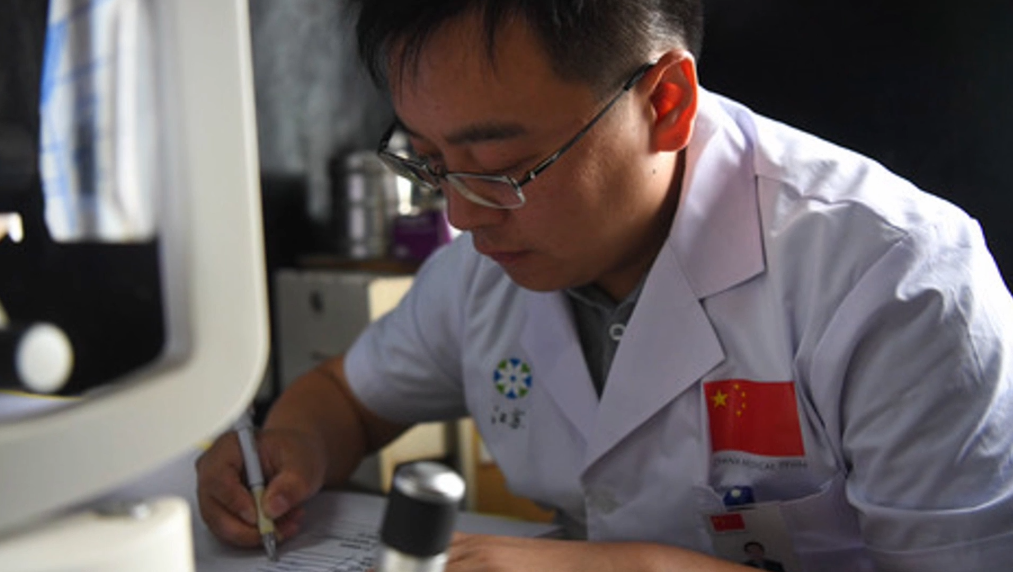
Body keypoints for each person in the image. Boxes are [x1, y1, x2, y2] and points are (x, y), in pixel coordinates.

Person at [196, 1, 1013, 570]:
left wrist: (623, 568)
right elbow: (349, 397)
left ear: (666, 103)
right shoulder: (484, 271)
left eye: (502, 167)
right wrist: (290, 450)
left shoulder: (894, 281)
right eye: (431, 162)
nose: (462, 216)